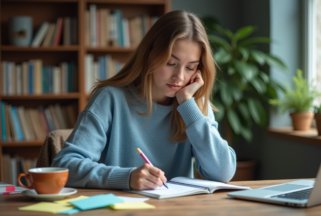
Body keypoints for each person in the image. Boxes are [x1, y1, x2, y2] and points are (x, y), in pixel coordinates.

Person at [51, 10, 236, 191]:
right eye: (171, 63)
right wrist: (126, 177)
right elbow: (65, 166)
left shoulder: (193, 106)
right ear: (150, 55)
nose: (179, 77)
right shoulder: (110, 99)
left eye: (190, 67)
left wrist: (188, 105)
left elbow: (223, 172)